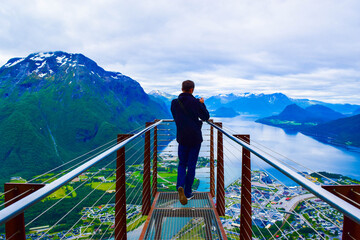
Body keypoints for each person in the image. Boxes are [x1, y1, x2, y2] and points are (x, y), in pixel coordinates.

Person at [171, 80, 210, 205]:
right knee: (191, 165)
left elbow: (176, 117)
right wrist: (202, 104)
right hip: (195, 138)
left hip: (182, 138)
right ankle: (187, 193)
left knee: (182, 164)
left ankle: (180, 186)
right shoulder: (196, 102)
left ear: (182, 88)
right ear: (192, 89)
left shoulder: (174, 103)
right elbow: (206, 117)